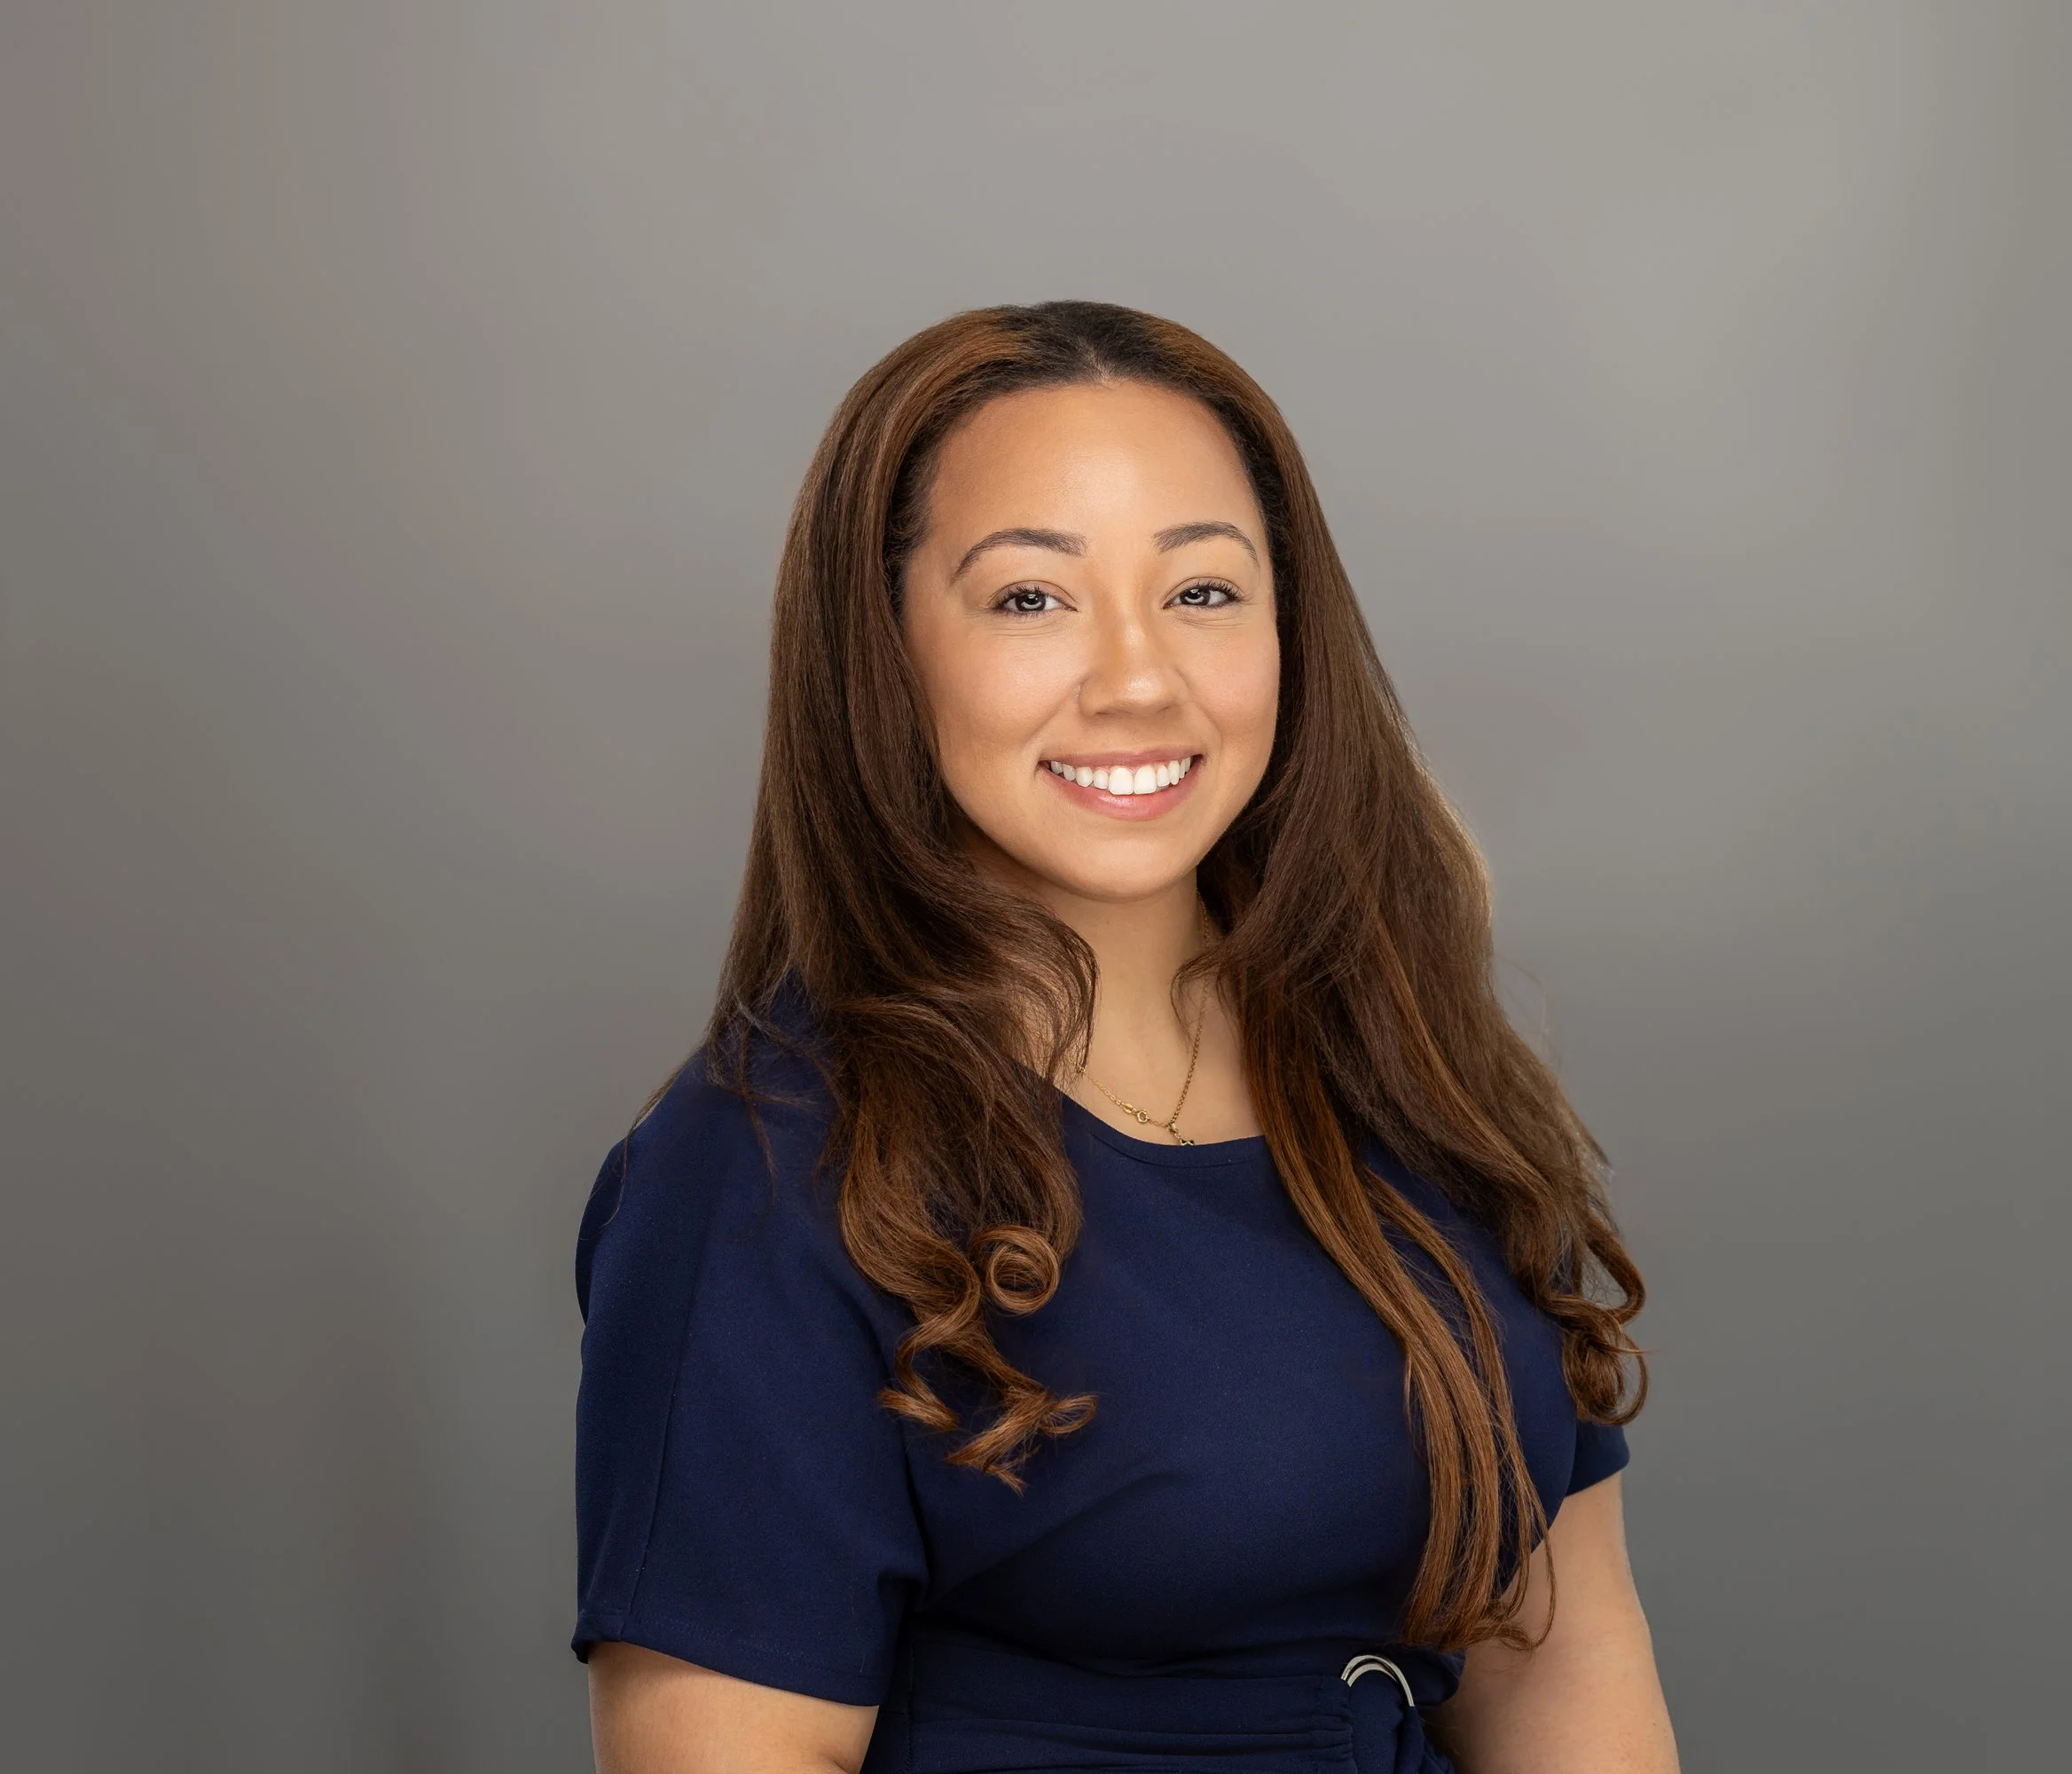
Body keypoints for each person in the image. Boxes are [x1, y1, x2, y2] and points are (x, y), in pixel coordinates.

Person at [571, 300, 1679, 1773]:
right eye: (1030, 599)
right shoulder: (761, 1177)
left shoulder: (1410, 1069)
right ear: (885, 648)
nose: (1138, 679)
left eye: (1205, 593)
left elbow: (1562, 1664)